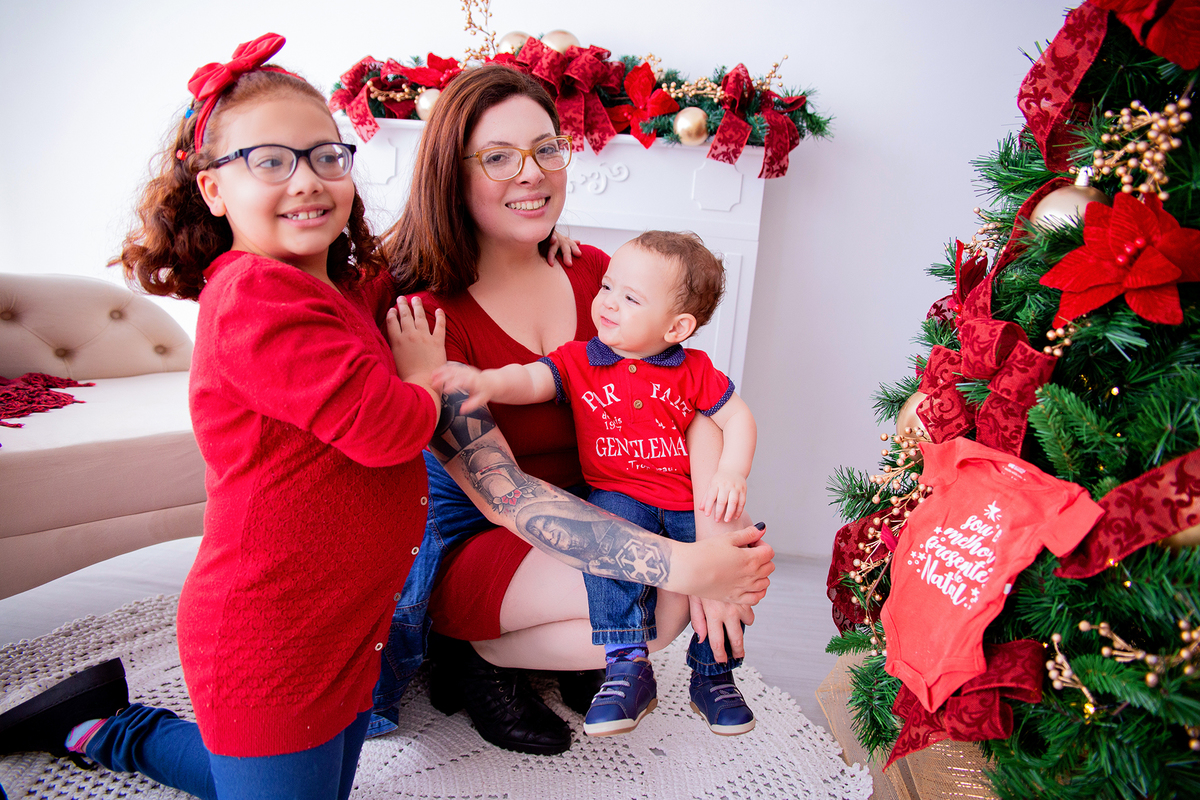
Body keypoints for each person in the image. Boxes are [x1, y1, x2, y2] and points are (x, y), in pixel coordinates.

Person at [0, 34, 446, 800]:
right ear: (213, 189)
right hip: (272, 636)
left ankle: (108, 724)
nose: (306, 180)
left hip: (345, 623)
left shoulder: (331, 284)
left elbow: (407, 270)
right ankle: (106, 729)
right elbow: (390, 430)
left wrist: (539, 245)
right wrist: (425, 376)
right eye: (270, 161)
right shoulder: (256, 298)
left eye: (326, 156)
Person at [370, 63, 773, 754]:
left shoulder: (597, 275)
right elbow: (505, 495)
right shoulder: (427, 316)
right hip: (485, 536)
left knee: (682, 583)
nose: (531, 173)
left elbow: (692, 406)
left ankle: (586, 647)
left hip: (604, 506)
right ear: (450, 174)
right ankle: (476, 655)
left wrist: (711, 541)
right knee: (664, 597)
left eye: (546, 149)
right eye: (498, 157)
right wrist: (685, 564)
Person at [435, 230, 759, 738]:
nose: (607, 302)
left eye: (629, 298)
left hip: (667, 497)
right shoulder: (581, 357)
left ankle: (714, 675)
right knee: (624, 566)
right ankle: (621, 663)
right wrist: (491, 381)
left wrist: (729, 481)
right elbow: (533, 380)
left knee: (736, 551)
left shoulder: (690, 366)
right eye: (607, 288)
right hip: (601, 501)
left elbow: (730, 417)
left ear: (677, 326)